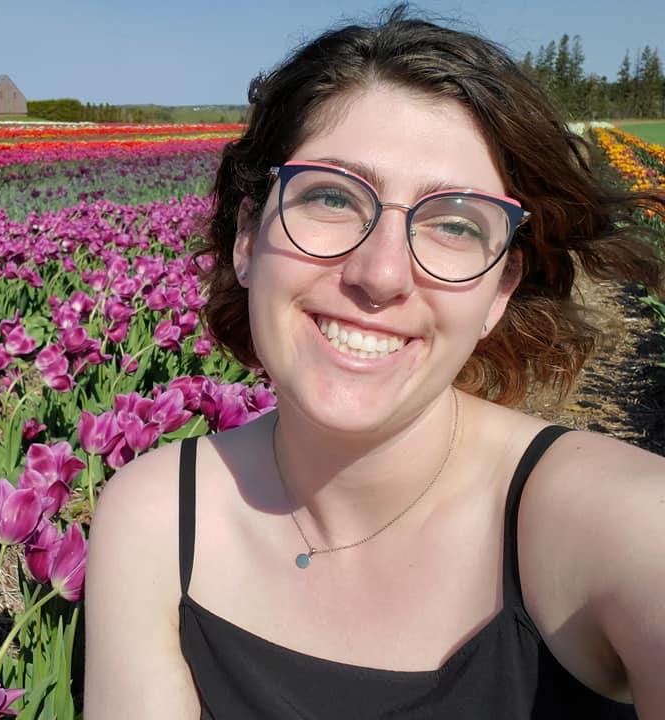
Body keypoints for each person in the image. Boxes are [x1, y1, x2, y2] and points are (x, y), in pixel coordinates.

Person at [84, 6, 665, 718]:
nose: (381, 273)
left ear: (499, 290)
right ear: (246, 236)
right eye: (331, 195)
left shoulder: (617, 525)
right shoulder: (154, 520)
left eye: (454, 222)